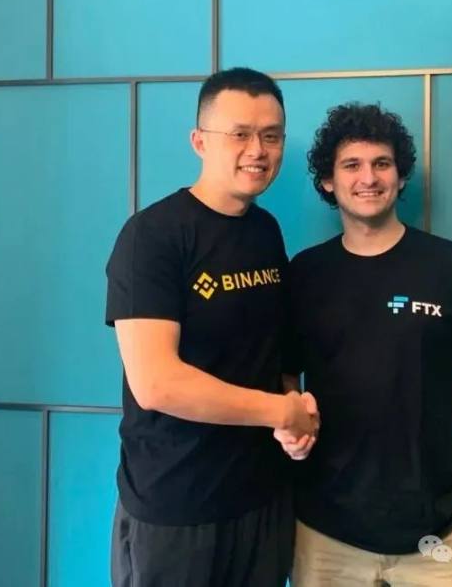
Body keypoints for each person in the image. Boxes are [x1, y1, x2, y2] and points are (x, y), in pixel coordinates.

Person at [104, 67, 318, 587]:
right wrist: (277, 410)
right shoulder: (152, 236)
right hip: (176, 507)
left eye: (271, 136)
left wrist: (292, 416)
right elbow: (157, 384)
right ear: (199, 141)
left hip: (261, 499)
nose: (257, 150)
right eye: (240, 134)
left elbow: (273, 350)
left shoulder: (265, 231)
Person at [278, 102, 452, 586]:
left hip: (445, 525)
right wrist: (290, 428)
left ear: (401, 177)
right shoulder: (305, 274)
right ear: (328, 181)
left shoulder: (449, 265)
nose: (368, 178)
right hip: (326, 530)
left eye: (381, 163)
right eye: (351, 165)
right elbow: (284, 378)